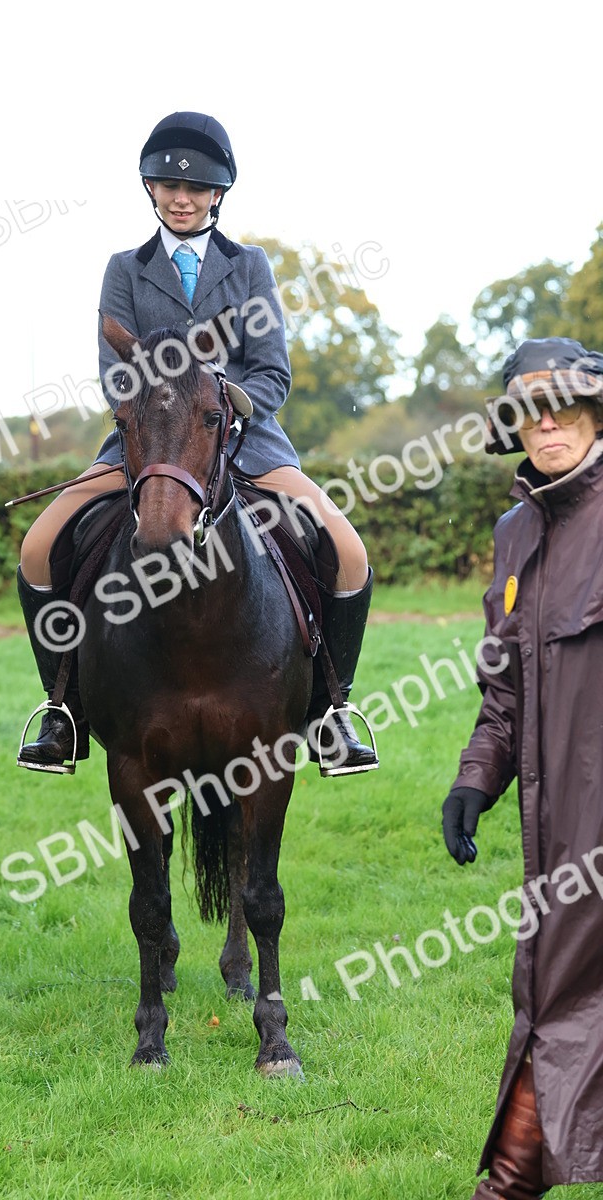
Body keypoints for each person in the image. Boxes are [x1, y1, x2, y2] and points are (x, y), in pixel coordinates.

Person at [17, 111, 378, 777]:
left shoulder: (250, 266)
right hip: (149, 445)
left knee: (349, 554)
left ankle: (330, 711)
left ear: (218, 194)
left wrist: (223, 406)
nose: (181, 198)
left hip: (246, 441)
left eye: (196, 189)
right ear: (150, 190)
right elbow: (115, 376)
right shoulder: (124, 269)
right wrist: (161, 410)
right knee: (38, 547)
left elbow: (272, 372)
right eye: (168, 186)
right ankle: (63, 709)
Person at [442, 337, 603, 1195]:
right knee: (555, 994)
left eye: (565, 407)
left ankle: (506, 1182)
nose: (549, 425)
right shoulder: (515, 533)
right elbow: (503, 688)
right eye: (531, 414)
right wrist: (476, 778)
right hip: (558, 833)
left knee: (564, 999)